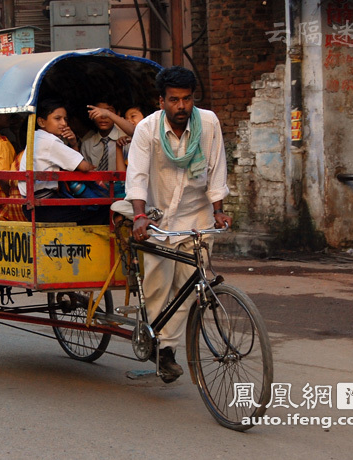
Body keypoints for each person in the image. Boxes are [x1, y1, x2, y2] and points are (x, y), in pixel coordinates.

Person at [125, 66, 232, 383]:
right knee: (159, 284)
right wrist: (140, 215)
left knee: (189, 287)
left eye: (186, 99)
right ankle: (153, 338)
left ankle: (167, 350)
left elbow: (217, 169)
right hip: (159, 218)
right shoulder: (148, 130)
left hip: (197, 215)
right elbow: (138, 177)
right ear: (162, 101)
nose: (181, 106)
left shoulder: (209, 123)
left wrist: (219, 210)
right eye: (174, 100)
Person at [18, 99, 108, 225]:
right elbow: (84, 166)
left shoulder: (37, 137)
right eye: (57, 118)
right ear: (41, 122)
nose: (63, 123)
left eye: (65, 119)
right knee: (103, 209)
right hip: (46, 206)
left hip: (34, 205)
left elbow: (73, 163)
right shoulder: (50, 141)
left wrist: (73, 144)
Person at [82, 102, 135, 171]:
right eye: (99, 111)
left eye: (109, 111)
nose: (103, 116)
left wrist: (109, 114)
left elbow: (135, 132)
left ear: (117, 114)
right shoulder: (87, 145)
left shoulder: (127, 140)